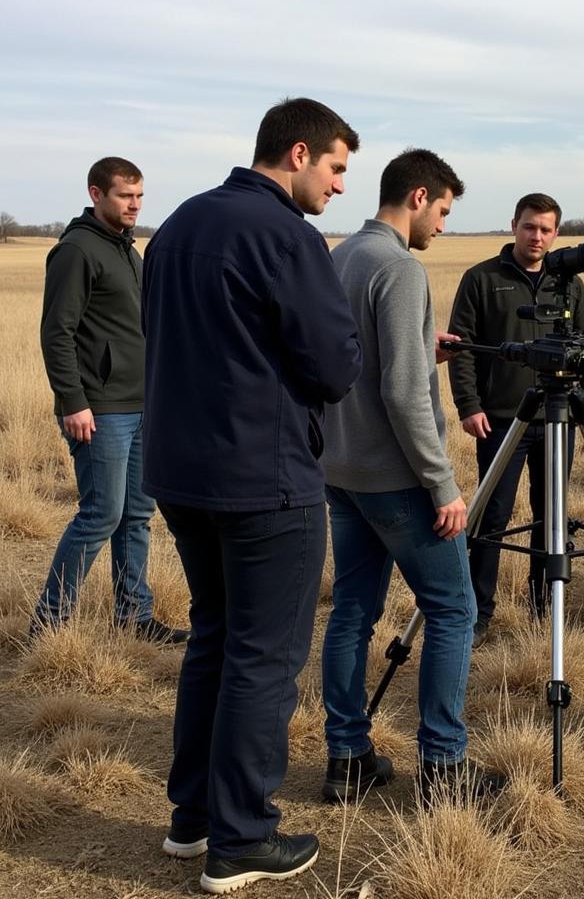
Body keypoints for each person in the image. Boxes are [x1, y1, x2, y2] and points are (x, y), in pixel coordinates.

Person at [141, 98, 362, 894]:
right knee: (264, 657)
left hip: (180, 473)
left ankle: (193, 818)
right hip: (263, 479)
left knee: (216, 636)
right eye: (337, 168)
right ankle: (242, 838)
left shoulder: (176, 226)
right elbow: (334, 368)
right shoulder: (286, 236)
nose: (339, 187)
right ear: (298, 153)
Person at [320, 148, 502, 806]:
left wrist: (424, 343)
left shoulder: (341, 256)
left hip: (340, 470)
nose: (444, 227)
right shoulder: (398, 268)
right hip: (395, 478)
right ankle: (445, 769)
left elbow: (352, 356)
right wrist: (442, 483)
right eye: (445, 211)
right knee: (454, 609)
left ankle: (347, 759)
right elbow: (401, 392)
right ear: (419, 196)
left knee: (352, 613)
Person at [33, 157, 188, 645]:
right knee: (101, 513)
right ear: (97, 193)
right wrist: (73, 401)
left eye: (139, 196)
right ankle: (49, 622)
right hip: (99, 408)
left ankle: (134, 616)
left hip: (141, 404)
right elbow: (56, 333)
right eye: (125, 196)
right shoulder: (77, 250)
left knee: (138, 515)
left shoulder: (127, 250)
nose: (134, 205)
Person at [446, 193, 584, 645]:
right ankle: (478, 615)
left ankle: (545, 606)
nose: (537, 236)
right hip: (501, 419)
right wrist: (469, 405)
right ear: (514, 225)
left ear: (556, 233)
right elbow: (461, 349)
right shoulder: (482, 279)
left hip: (559, 420)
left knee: (551, 516)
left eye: (546, 229)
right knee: (491, 518)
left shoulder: (570, 284)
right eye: (529, 227)